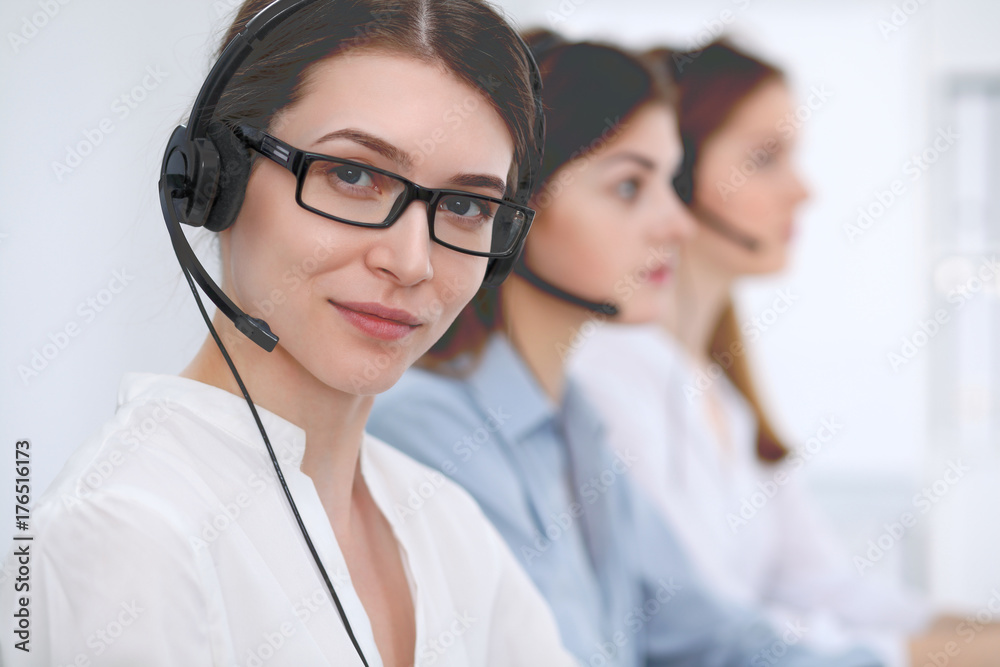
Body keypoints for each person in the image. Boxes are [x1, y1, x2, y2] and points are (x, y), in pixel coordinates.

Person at [0, 2, 579, 665]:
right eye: (353, 174)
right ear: (214, 179)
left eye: (466, 205)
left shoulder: (448, 526)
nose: (412, 261)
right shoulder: (125, 531)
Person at [369, 31, 881, 667]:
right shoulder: (428, 433)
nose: (677, 224)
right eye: (629, 188)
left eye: (670, 184)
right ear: (510, 211)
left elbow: (711, 637)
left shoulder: (578, 423)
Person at [569, 40, 1000, 667]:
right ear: (677, 176)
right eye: (766, 158)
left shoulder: (717, 390)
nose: (804, 191)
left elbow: (823, 586)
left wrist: (975, 635)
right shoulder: (608, 372)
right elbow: (704, 630)